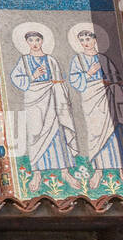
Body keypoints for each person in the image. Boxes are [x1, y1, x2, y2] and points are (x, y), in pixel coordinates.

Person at [8, 30, 78, 185]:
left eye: (37, 40)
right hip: (34, 101)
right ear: (27, 43)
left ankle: (65, 171)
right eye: (31, 40)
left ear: (42, 41)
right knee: (35, 134)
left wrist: (59, 93)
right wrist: (33, 76)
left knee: (57, 133)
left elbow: (60, 81)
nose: (34, 43)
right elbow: (16, 78)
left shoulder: (51, 60)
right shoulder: (24, 61)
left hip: (53, 100)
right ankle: (36, 173)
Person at [68, 28, 123, 174]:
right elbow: (75, 81)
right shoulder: (78, 59)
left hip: (110, 98)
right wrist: (89, 73)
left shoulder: (104, 59)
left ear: (95, 40)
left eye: (88, 39)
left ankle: (122, 173)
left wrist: (109, 83)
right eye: (82, 40)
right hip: (91, 100)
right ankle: (99, 171)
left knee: (115, 131)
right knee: (96, 134)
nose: (85, 43)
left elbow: (116, 78)